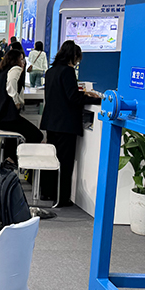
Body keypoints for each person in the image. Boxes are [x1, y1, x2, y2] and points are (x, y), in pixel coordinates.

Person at [40, 41, 102, 206]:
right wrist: (96, 100)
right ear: (73, 56)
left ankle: (47, 192)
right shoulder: (67, 72)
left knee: (52, 159)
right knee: (65, 162)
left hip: (51, 122)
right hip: (65, 124)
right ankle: (62, 197)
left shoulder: (51, 71)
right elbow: (73, 98)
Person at [0, 47, 43, 163]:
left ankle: (10, 159)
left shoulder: (0, 74)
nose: (23, 62)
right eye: (21, 59)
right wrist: (16, 101)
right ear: (15, 60)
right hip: (7, 118)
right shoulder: (15, 69)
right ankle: (24, 163)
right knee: (37, 135)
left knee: (11, 138)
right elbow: (11, 84)